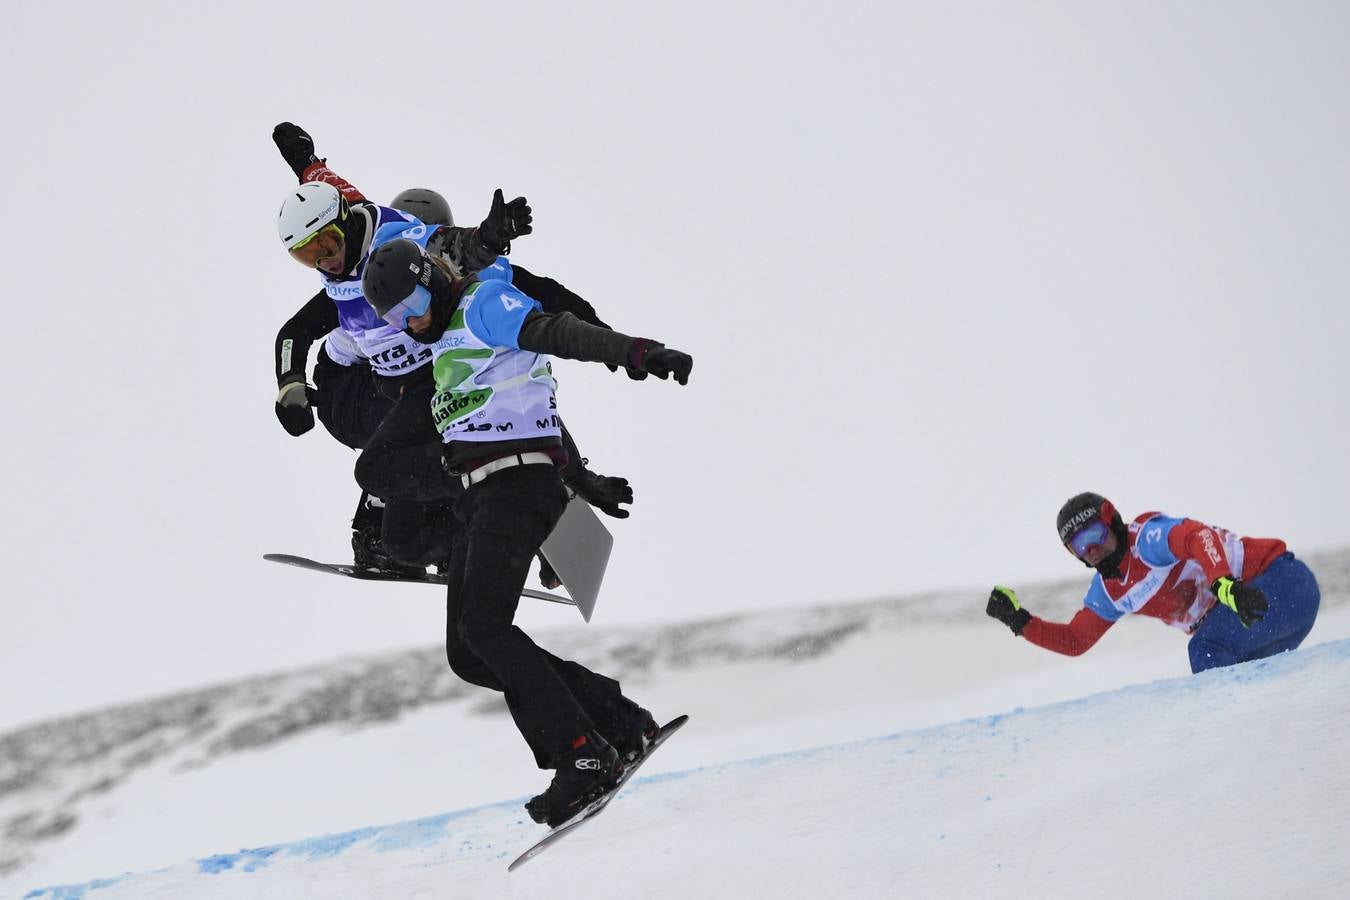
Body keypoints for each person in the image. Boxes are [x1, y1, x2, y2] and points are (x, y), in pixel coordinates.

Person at [360, 237, 692, 827]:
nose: (409, 323)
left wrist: (636, 351)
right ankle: (617, 721)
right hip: (483, 495)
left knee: (486, 626)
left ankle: (581, 755)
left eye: (411, 303)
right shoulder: (445, 347)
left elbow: (557, 332)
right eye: (393, 319)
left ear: (430, 280)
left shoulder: (483, 305)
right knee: (469, 652)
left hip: (517, 487)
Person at [269, 123, 631, 576]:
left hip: (434, 383)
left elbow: (501, 270)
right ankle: (410, 530)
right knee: (411, 452)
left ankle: (516, 514)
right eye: (308, 256)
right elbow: (323, 189)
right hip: (374, 389)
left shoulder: (420, 255)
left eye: (328, 246)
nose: (326, 261)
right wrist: (305, 162)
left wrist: (604, 337)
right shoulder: (352, 253)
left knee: (483, 411)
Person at [986, 492, 1321, 673]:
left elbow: (1195, 536)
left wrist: (1222, 583)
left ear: (1112, 522)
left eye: (1095, 535)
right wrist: (1020, 621)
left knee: (1205, 651)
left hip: (1281, 584)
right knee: (1229, 666)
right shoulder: (1108, 592)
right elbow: (1076, 640)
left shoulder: (1146, 540)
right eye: (1080, 546)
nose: (1092, 549)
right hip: (1260, 624)